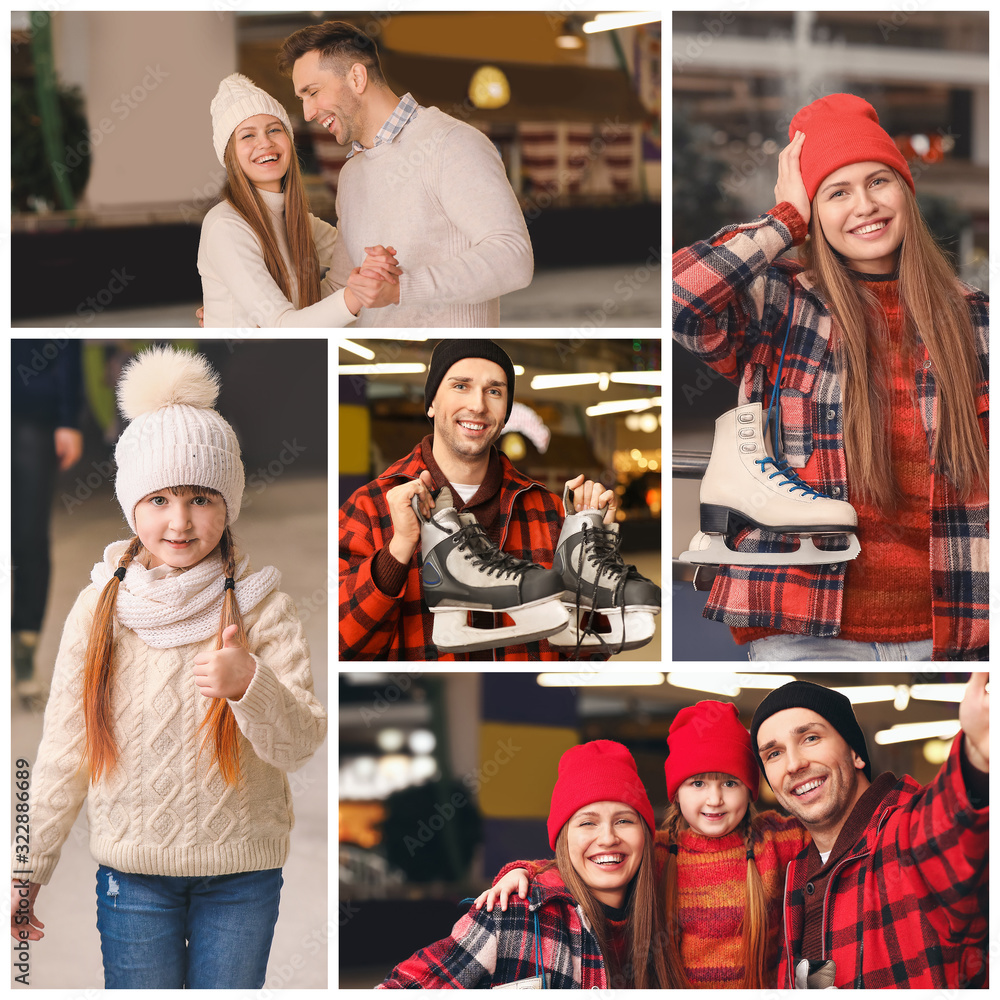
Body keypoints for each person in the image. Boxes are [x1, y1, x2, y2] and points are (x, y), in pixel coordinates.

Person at [9, 347, 327, 988]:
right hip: (134, 876)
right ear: (132, 505)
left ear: (229, 501)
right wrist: (26, 868)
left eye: (201, 498)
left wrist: (250, 686)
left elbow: (298, 744)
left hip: (242, 875)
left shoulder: (263, 606)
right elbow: (64, 751)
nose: (180, 521)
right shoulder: (99, 610)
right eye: (158, 499)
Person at [673, 93, 988, 660]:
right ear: (813, 211)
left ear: (905, 191)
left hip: (951, 633)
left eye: (878, 182)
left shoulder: (977, 319)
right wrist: (782, 221)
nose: (864, 206)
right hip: (803, 630)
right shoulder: (778, 304)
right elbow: (679, 300)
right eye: (836, 193)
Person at [482, 700, 810, 988]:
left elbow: (835, 827)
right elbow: (585, 862)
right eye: (697, 783)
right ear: (676, 793)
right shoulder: (658, 853)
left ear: (750, 789)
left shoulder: (776, 839)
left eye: (729, 782)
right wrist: (522, 870)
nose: (715, 799)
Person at [338, 340, 618, 660]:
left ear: (505, 413)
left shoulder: (548, 511)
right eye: (461, 386)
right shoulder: (369, 507)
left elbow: (589, 653)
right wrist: (398, 550)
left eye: (494, 391)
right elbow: (341, 649)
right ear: (431, 403)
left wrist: (594, 561)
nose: (478, 405)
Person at [279, 20, 534, 327]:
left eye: (313, 92)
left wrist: (401, 289)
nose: (307, 113)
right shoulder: (351, 175)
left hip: (444, 356)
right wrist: (244, 313)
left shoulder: (451, 143)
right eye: (302, 99)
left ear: (357, 78)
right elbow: (343, 288)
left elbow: (513, 258)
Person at [750, 676, 988, 988]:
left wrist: (978, 754)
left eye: (810, 738)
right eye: (774, 753)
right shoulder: (792, 872)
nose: (793, 764)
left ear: (856, 753)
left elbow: (951, 824)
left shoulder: (905, 836)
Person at [378, 740, 668, 988]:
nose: (607, 838)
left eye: (624, 820)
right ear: (563, 839)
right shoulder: (514, 914)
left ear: (645, 833)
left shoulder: (670, 908)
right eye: (588, 822)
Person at [198, 72, 400, 327]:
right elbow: (281, 326)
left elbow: (355, 258)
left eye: (274, 130)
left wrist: (380, 261)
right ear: (230, 156)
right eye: (248, 136)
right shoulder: (225, 227)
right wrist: (355, 295)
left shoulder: (300, 222)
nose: (265, 143)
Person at [11, 340, 84, 709]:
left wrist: (69, 417)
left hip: (30, 413)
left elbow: (69, 340)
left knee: (29, 539)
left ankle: (23, 652)